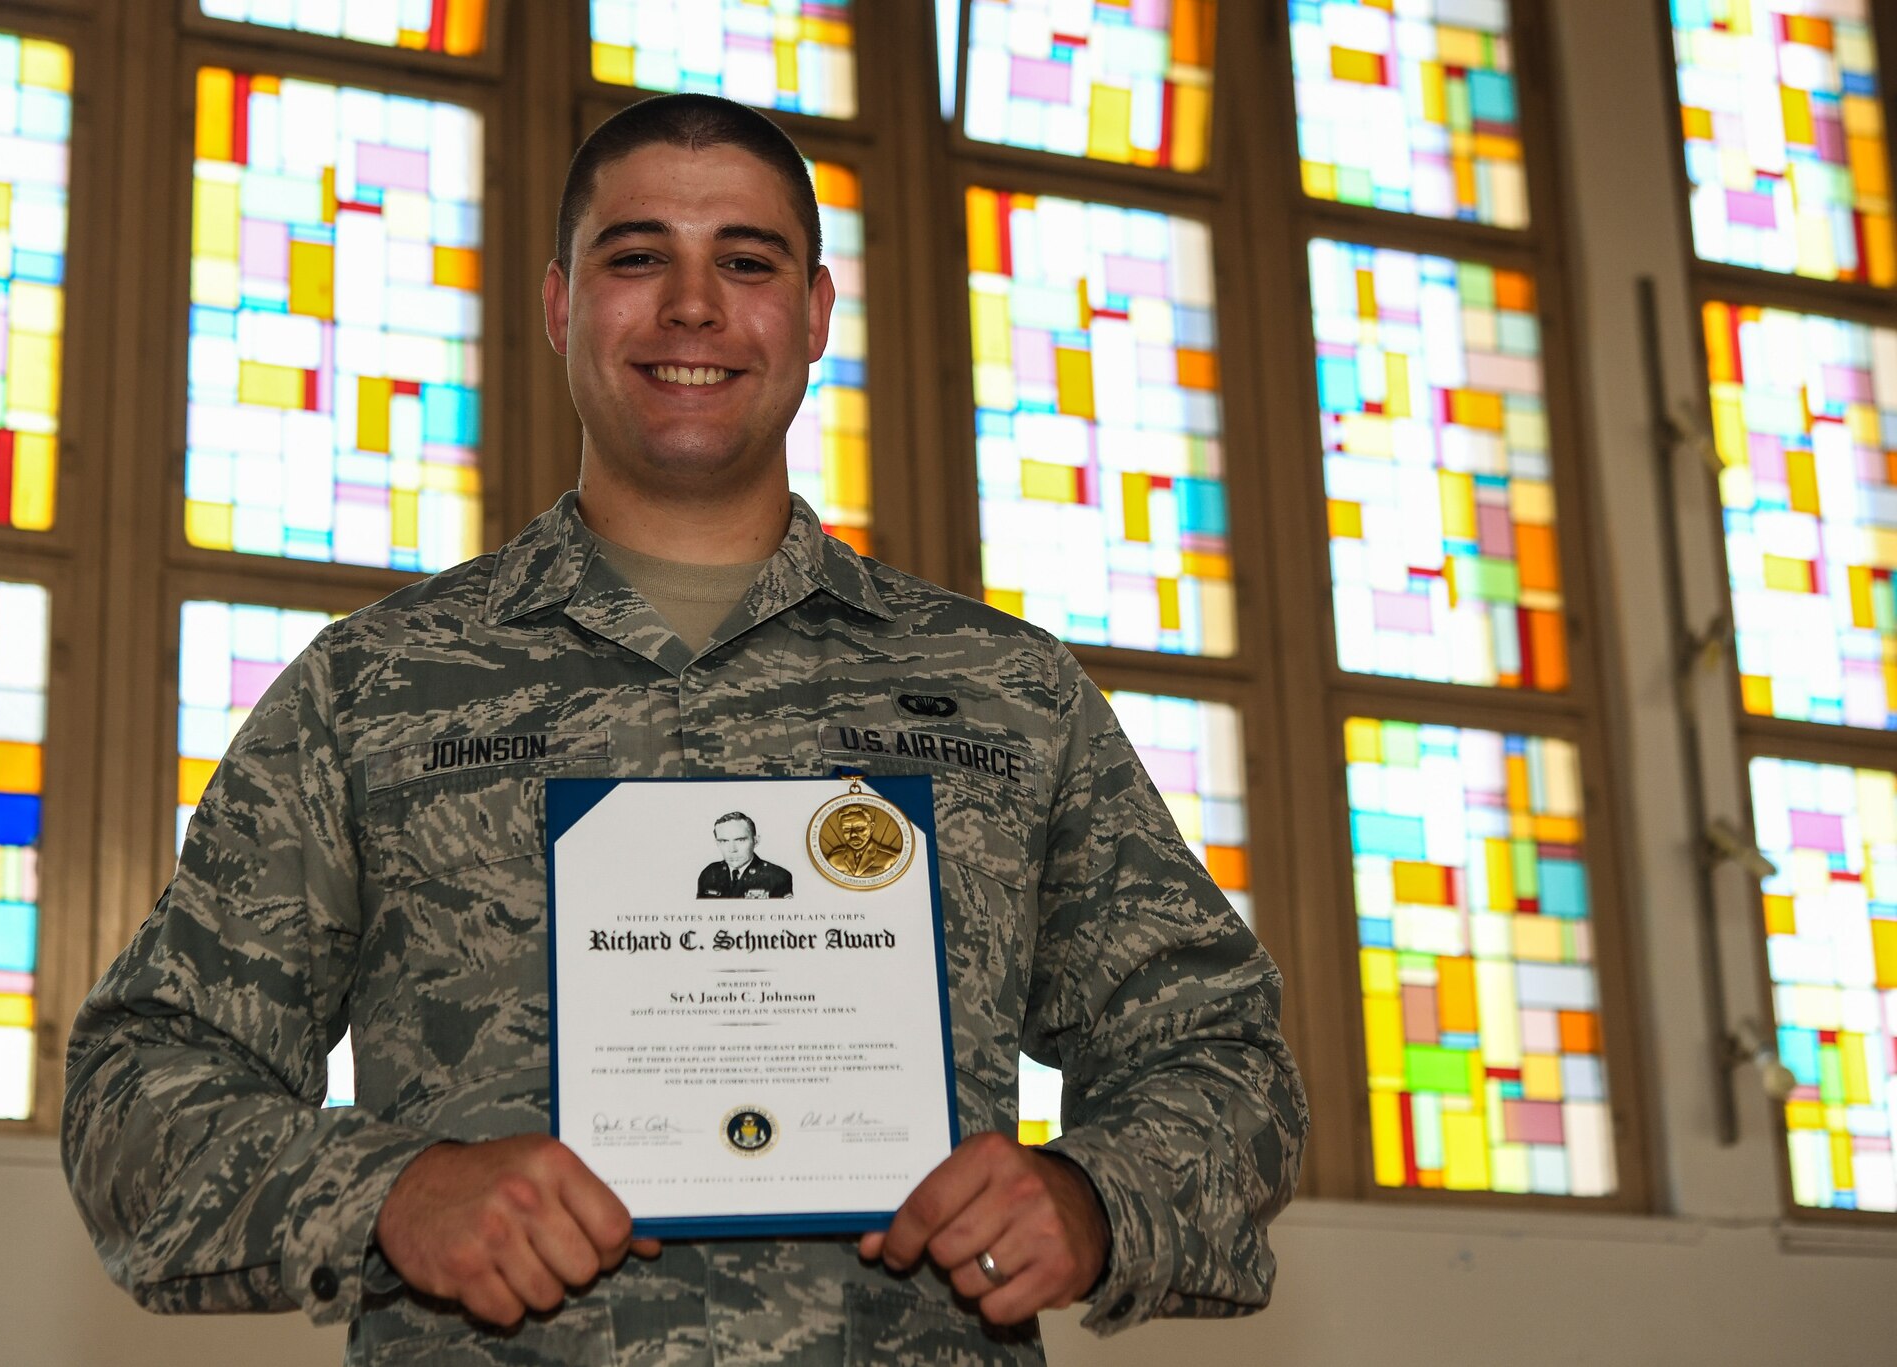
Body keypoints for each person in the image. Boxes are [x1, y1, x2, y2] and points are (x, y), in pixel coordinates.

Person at [63, 93, 1307, 1365]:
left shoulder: (1009, 696)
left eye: (747, 262)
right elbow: (137, 1095)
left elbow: (1220, 1055)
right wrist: (389, 1187)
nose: (693, 307)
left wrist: (1091, 1198)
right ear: (559, 305)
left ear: (813, 315)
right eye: (638, 255)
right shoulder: (372, 691)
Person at [696, 810, 793, 898]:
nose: (732, 849)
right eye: (724, 841)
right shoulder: (709, 874)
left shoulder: (777, 877)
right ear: (717, 843)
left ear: (756, 841)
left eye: (740, 840)